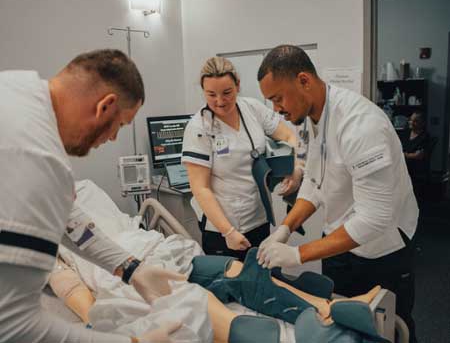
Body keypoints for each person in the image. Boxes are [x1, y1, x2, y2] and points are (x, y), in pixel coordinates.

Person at [0, 49, 185, 343]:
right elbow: (13, 325)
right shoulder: (37, 158)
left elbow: (69, 220)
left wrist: (132, 269)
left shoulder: (16, 90)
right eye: (120, 125)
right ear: (105, 106)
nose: (112, 138)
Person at [255, 45, 419, 342]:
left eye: (278, 98)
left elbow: (375, 218)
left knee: (388, 329)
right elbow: (315, 183)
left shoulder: (360, 126)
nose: (276, 109)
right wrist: (285, 228)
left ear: (304, 80)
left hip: (382, 249)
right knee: (342, 323)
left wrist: (297, 254)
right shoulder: (310, 119)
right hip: (342, 242)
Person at [49, 253, 382, 343]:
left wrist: (136, 266)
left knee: (238, 270)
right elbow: (80, 300)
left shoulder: (82, 210)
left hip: (155, 256)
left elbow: (94, 235)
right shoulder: (46, 246)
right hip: (120, 277)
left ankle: (322, 306)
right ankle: (320, 317)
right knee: (189, 298)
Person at [182, 56, 302, 261]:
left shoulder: (252, 108)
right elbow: (200, 188)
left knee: (261, 281)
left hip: (258, 217)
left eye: (227, 93)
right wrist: (228, 232)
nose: (220, 101)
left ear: (238, 85)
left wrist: (295, 165)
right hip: (222, 228)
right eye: (211, 94)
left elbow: (289, 136)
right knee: (230, 288)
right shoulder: (199, 128)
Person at [402, 111, 431, 177]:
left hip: (416, 168)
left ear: (422, 123)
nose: (411, 122)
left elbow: (419, 155)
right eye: (411, 120)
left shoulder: (425, 136)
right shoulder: (405, 133)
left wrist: (405, 155)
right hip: (403, 164)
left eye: (415, 121)